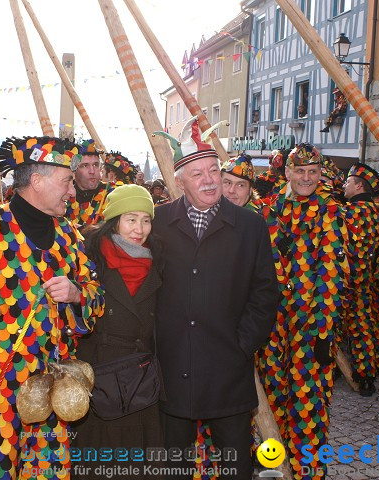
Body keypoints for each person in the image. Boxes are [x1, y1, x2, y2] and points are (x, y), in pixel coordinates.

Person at [0, 135, 104, 480]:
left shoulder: (69, 234)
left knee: (49, 472)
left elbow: (96, 297)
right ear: (37, 181)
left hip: (56, 387)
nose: (72, 192)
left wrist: (75, 295)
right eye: (67, 181)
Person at [152, 117, 278, 479]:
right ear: (179, 182)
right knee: (172, 466)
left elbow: (264, 293)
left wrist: (243, 345)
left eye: (213, 171)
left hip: (228, 370)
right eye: (197, 174)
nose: (209, 180)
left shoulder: (250, 226)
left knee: (236, 466)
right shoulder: (157, 223)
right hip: (173, 371)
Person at [256, 143, 350, 478]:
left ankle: (307, 470)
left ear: (320, 173)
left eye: (313, 172)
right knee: (273, 394)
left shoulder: (331, 211)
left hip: (311, 324)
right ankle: (275, 465)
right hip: (272, 320)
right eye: (300, 171)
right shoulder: (272, 206)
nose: (306, 178)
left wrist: (323, 331)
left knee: (306, 401)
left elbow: (332, 277)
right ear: (287, 173)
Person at [73, 184, 163, 477]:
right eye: (131, 219)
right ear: (115, 220)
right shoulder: (90, 255)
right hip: (101, 372)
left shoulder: (158, 257)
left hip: (141, 376)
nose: (139, 228)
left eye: (145, 219)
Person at [341, 163, 379, 396]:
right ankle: (366, 376)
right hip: (365, 283)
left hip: (343, 282)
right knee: (362, 327)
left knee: (337, 326)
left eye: (348, 182)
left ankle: (337, 370)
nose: (344, 185)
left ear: (359, 186)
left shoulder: (347, 212)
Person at [65, 139, 114, 227]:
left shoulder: (112, 194)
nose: (92, 171)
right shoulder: (64, 194)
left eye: (95, 165)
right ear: (74, 170)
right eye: (85, 166)